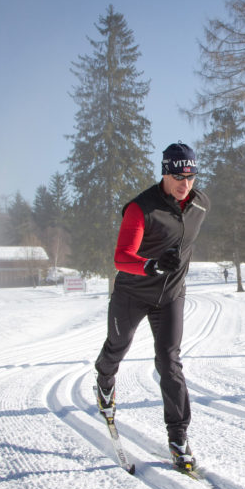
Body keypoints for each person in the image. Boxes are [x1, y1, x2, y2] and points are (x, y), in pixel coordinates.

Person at [94, 141, 209, 470]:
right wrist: (151, 265)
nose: (184, 184)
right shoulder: (141, 208)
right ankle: (104, 382)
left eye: (190, 177)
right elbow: (121, 257)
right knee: (117, 346)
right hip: (132, 293)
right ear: (164, 173)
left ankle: (178, 437)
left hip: (170, 297)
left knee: (169, 363)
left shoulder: (200, 205)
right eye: (177, 176)